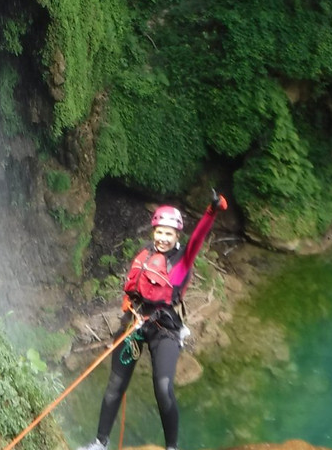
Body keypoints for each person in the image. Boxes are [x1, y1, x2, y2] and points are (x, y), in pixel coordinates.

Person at [78, 192, 228, 450]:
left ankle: (172, 446)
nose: (163, 238)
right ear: (154, 231)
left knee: (163, 387)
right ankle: (100, 443)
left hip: (164, 329)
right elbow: (136, 286)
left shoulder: (183, 259)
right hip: (135, 323)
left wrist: (211, 211)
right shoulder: (146, 253)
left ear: (177, 236)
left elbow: (198, 237)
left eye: (169, 233)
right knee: (115, 383)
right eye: (160, 232)